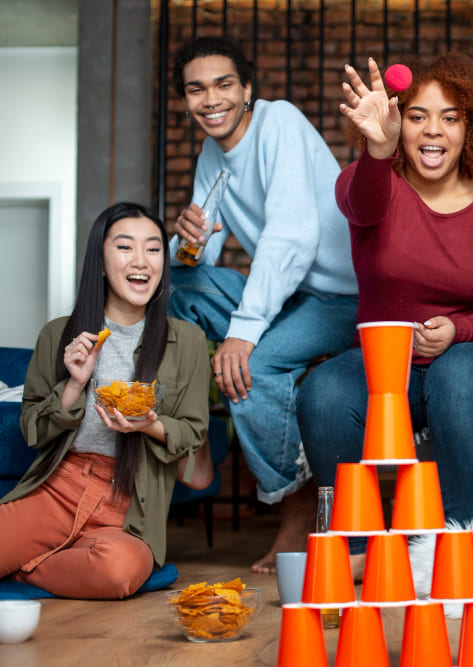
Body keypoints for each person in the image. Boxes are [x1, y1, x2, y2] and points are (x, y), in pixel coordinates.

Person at [296, 53, 473, 575]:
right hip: (381, 368)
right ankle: (354, 544)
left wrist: (459, 330)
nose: (432, 130)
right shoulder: (369, 182)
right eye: (418, 115)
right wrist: (380, 148)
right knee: (323, 392)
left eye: (451, 116)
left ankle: (441, 542)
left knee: (462, 378)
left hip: (463, 363)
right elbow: (363, 205)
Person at [168, 36, 359, 573]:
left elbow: (291, 238)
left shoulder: (280, 124)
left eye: (224, 85)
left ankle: (296, 509)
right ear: (186, 99)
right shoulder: (213, 153)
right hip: (290, 294)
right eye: (196, 89)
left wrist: (244, 331)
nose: (211, 100)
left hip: (344, 297)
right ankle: (196, 433)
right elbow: (197, 261)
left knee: (252, 363)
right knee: (174, 287)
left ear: (247, 89)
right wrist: (186, 240)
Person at [0, 202, 210, 599]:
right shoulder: (58, 334)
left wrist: (149, 424)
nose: (142, 260)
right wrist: (74, 386)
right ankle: (52, 554)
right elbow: (32, 430)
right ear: (99, 261)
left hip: (130, 503)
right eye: (125, 247)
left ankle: (23, 568)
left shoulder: (188, 341)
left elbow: (192, 433)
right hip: (59, 489)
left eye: (153, 249)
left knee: (117, 572)